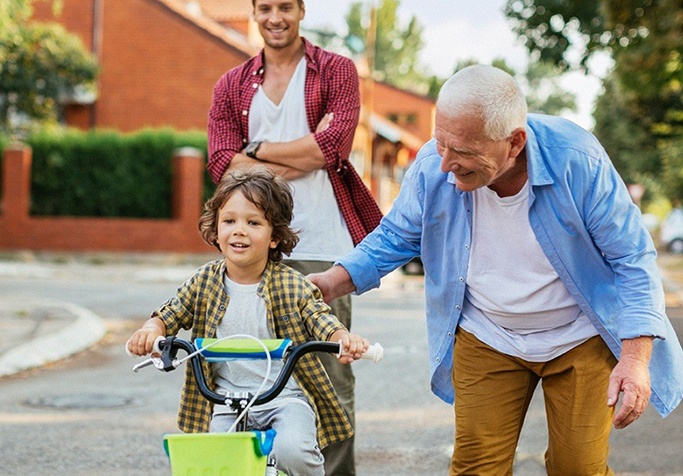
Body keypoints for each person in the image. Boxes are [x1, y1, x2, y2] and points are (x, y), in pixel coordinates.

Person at [309, 64, 683, 475]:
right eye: (440, 144)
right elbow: (396, 236)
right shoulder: (435, 164)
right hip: (488, 333)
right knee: (476, 469)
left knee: (577, 468)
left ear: (514, 142)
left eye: (464, 152)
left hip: (580, 334)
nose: (445, 163)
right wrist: (331, 281)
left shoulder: (576, 160)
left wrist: (634, 359)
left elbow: (632, 258)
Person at [206, 0, 383, 473]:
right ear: (254, 11)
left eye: (285, 6)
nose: (275, 17)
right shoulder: (231, 85)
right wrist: (303, 155)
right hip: (252, 246)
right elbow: (221, 163)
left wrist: (256, 152)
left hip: (322, 244)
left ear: (302, 9)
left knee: (327, 379)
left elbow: (335, 146)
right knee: (244, 371)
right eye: (265, 7)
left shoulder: (336, 71)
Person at [126, 167, 370, 476]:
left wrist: (341, 338)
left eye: (253, 222)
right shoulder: (204, 281)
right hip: (226, 400)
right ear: (216, 229)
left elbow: (319, 317)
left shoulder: (292, 284)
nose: (239, 230)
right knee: (217, 463)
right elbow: (172, 312)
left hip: (285, 398)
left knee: (292, 451)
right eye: (229, 221)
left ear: (275, 236)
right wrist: (152, 330)